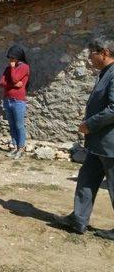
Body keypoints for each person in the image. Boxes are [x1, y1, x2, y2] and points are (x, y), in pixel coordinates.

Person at [54, 37, 114, 241]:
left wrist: (89, 124)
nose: (89, 58)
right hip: (98, 144)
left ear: (104, 53)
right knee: (87, 178)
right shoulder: (105, 74)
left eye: (92, 53)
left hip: (110, 143)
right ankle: (78, 219)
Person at [0, 45, 30, 159]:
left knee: (19, 125)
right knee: (11, 125)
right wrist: (14, 85)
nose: (10, 60)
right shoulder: (7, 68)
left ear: (18, 57)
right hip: (7, 100)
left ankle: (21, 149)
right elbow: (1, 82)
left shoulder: (24, 67)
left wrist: (12, 69)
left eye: (12, 58)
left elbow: (15, 78)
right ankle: (15, 147)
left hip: (18, 101)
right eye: (9, 58)